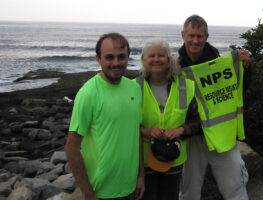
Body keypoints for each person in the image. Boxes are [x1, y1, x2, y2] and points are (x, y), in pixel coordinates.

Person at [178, 15, 251, 200]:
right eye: (192, 35)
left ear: (206, 37)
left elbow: (238, 90)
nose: (196, 40)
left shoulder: (220, 63)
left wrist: (245, 68)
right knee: (188, 191)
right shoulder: (175, 66)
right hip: (191, 138)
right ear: (183, 35)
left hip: (221, 134)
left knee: (235, 185)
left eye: (200, 36)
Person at [65, 32, 145, 200]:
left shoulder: (135, 89)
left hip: (131, 188)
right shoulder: (88, 93)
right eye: (109, 57)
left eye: (121, 57)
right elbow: (72, 147)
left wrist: (140, 176)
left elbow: (135, 134)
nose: (116, 63)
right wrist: (88, 193)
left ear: (128, 57)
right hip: (101, 192)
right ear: (98, 58)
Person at [135, 39, 196, 200]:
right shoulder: (133, 87)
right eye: (151, 56)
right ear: (143, 60)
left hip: (173, 158)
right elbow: (123, 124)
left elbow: (198, 120)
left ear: (169, 59)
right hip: (144, 160)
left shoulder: (186, 86)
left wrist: (181, 130)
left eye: (161, 55)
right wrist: (145, 131)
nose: (156, 59)